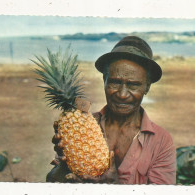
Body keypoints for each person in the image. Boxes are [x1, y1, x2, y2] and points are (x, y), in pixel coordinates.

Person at [46, 36, 176, 184]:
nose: (122, 94)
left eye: (133, 85)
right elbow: (52, 181)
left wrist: (114, 186)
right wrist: (65, 165)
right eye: (114, 82)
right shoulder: (81, 126)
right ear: (104, 80)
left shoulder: (161, 142)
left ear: (147, 87)